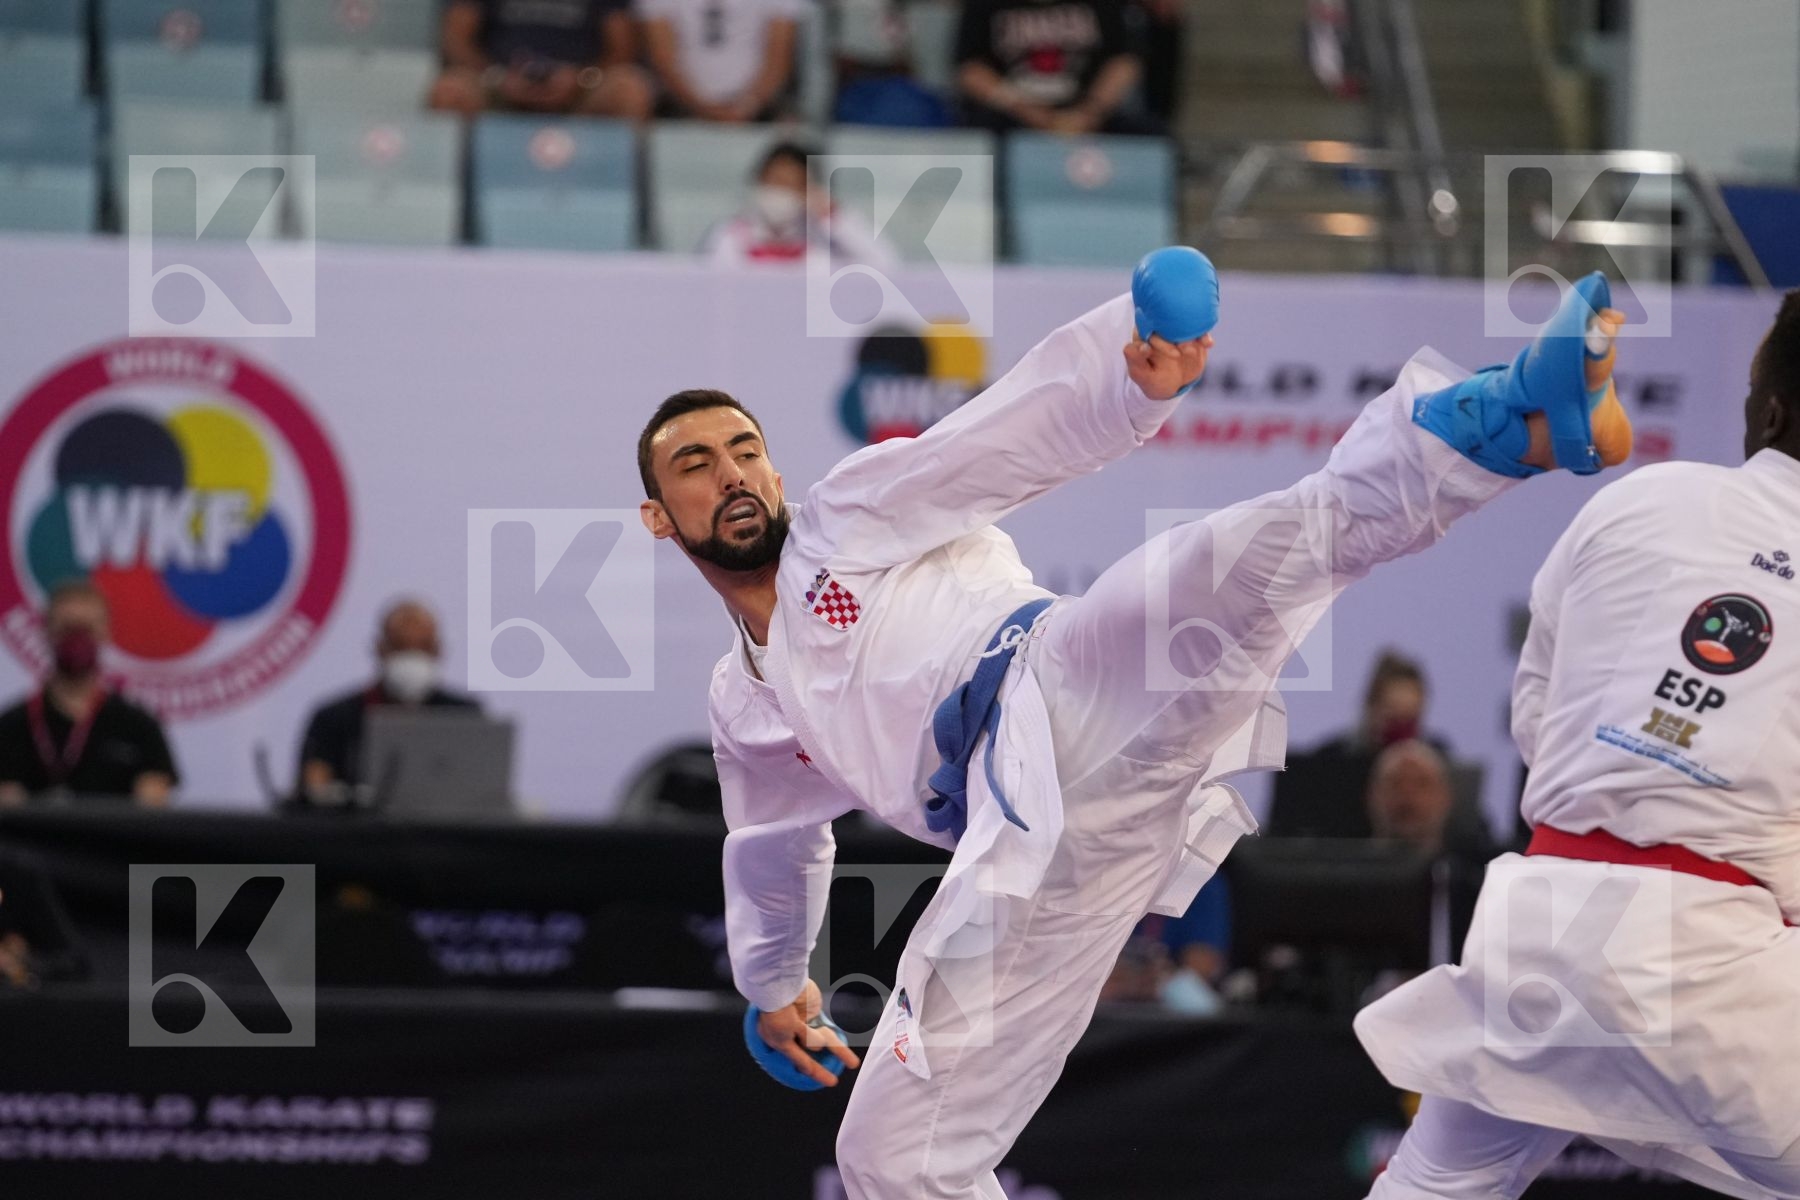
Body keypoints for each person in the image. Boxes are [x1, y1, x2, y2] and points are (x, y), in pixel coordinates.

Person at [636, 244, 1632, 1198]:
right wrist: (774, 987)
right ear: (657, 516)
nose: (730, 474)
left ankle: (1510, 420)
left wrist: (1127, 379)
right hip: (1034, 857)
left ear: (776, 473)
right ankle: (1516, 424)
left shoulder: (841, 522)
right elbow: (772, 845)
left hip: (1061, 673)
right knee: (891, 1156)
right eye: (695, 464)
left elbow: (987, 447)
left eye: (745, 451)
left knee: (1255, 557)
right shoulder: (745, 701)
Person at [1354, 290, 1800, 1200]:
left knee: (1431, 1184)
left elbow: (1539, 718)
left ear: (1771, 415)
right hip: (1720, 966)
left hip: (1546, 928)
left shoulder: (1640, 499)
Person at [0, 581, 177, 807]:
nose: (77, 640)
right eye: (67, 628)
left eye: (87, 629)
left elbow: (154, 806)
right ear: (46, 630)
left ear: (105, 633)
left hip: (112, 831)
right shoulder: (11, 726)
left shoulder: (138, 726)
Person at [294, 600, 481, 806]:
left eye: (423, 647)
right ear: (380, 648)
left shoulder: (466, 716)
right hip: (361, 825)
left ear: (438, 650)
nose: (412, 658)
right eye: (400, 647)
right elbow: (313, 787)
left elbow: (484, 788)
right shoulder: (334, 718)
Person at [955, 0, 1160, 135]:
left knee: (1151, 135)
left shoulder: (1106, 4)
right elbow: (969, 69)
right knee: (972, 136)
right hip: (1010, 115)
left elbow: (1125, 61)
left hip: (1088, 114)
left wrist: (1090, 112)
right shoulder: (984, 5)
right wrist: (1031, 113)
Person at [429, 0, 654, 120]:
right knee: (450, 91)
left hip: (580, 89)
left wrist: (581, 79)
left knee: (629, 91)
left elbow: (623, 47)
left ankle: (611, 186)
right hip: (498, 85)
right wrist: (497, 77)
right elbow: (455, 37)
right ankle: (443, 190)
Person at [702, 141, 897, 269]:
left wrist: (833, 217)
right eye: (775, 182)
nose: (781, 192)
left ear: (808, 190)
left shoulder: (822, 238)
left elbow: (886, 263)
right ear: (759, 181)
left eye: (791, 185)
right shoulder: (730, 235)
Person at [640, 0, 806, 123]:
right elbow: (662, 59)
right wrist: (704, 109)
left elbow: (779, 59)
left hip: (760, 106)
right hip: (680, 103)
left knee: (794, 127)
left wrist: (747, 106)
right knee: (634, 94)